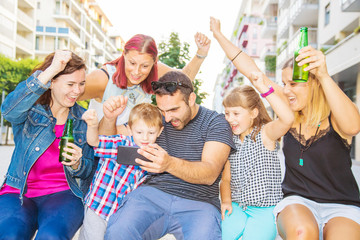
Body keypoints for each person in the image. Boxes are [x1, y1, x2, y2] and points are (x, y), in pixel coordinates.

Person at [210, 17, 360, 239]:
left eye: (294, 84)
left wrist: (323, 74)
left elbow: (354, 126)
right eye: (284, 83)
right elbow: (251, 69)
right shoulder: (288, 114)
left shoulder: (334, 116)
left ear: (314, 84)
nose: (286, 90)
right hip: (297, 201)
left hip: (342, 205)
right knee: (301, 232)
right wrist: (219, 36)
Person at [103, 71, 235, 239]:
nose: (167, 117)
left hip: (200, 203)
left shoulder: (215, 122)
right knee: (118, 231)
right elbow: (107, 140)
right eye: (162, 110)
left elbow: (210, 173)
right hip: (152, 194)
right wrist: (109, 118)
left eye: (174, 109)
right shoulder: (158, 118)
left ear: (191, 99)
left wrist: (169, 164)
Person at [0, 50, 94, 239]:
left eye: (81, 84)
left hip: (64, 193)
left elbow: (90, 169)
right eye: (70, 84)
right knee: (10, 234)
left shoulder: (84, 120)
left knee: (51, 236)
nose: (77, 91)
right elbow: (8, 111)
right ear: (52, 82)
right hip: (19, 191)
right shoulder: (29, 110)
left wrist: (77, 163)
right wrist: (51, 70)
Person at [79, 33, 211, 133]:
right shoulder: (102, 78)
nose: (136, 72)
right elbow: (64, 94)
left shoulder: (155, 71)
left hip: (130, 152)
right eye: (132, 63)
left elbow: (183, 79)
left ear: (154, 62)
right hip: (98, 153)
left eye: (145, 66)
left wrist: (201, 53)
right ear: (124, 54)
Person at [220, 72, 294, 240]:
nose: (230, 119)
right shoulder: (230, 140)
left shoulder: (265, 133)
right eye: (227, 113)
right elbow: (226, 179)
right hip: (237, 206)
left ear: (253, 113)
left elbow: (288, 119)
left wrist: (264, 89)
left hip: (265, 209)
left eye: (236, 114)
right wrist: (225, 201)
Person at [79, 99, 163, 240]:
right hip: (99, 206)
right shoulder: (120, 144)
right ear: (129, 129)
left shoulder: (156, 155)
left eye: (151, 132)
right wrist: (93, 126)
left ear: (160, 131)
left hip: (121, 215)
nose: (145, 137)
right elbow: (94, 142)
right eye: (139, 132)